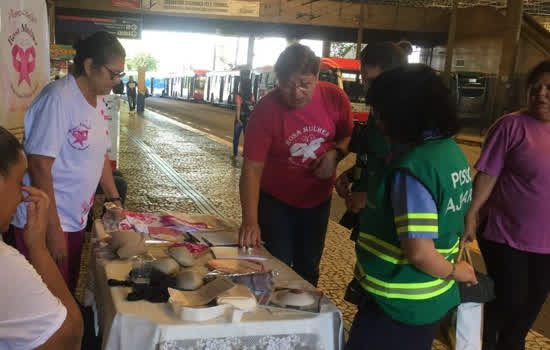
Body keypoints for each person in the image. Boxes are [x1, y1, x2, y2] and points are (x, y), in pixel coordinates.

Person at [346, 65, 478, 350]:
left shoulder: (414, 170)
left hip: (397, 302)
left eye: (382, 114)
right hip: (426, 299)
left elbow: (419, 252)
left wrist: (460, 272)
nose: (378, 123)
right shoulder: (450, 153)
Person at [10, 31, 126, 293]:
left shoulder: (97, 101)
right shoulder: (58, 98)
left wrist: (114, 199)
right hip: (46, 220)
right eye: (113, 73)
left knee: (65, 293)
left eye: (121, 74)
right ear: (89, 66)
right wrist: (52, 230)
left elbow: (100, 156)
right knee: (47, 301)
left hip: (75, 218)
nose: (117, 81)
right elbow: (39, 166)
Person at [239, 44, 353, 286]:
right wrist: (250, 220)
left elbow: (347, 136)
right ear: (277, 80)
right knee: (276, 263)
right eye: (288, 84)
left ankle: (306, 318)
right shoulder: (266, 110)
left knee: (308, 266)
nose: (296, 92)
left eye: (305, 84)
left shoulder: (335, 98)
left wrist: (336, 154)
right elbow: (252, 168)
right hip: (276, 201)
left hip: (317, 200)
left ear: (317, 77)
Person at [463, 60, 550, 350]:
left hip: (547, 241)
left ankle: (512, 344)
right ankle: (483, 340)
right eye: (535, 88)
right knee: (511, 297)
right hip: (505, 233)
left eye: (549, 88)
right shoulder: (511, 125)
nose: (540, 93)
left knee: (533, 302)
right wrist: (472, 214)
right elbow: (487, 175)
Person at [0, 127, 84, 349]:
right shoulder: (4, 262)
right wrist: (38, 249)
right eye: (19, 183)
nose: (22, 196)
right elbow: (70, 337)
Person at [335, 42, 407, 235]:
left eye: (374, 82)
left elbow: (409, 174)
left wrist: (369, 197)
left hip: (388, 224)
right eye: (365, 81)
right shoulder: (378, 112)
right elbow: (378, 158)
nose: (368, 89)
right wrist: (351, 175)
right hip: (367, 216)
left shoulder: (407, 120)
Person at [232, 78, 254, 159]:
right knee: (247, 139)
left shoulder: (238, 95)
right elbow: (252, 107)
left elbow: (238, 106)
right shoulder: (251, 95)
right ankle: (246, 154)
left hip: (239, 119)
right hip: (248, 119)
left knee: (236, 138)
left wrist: (238, 119)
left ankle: (235, 154)